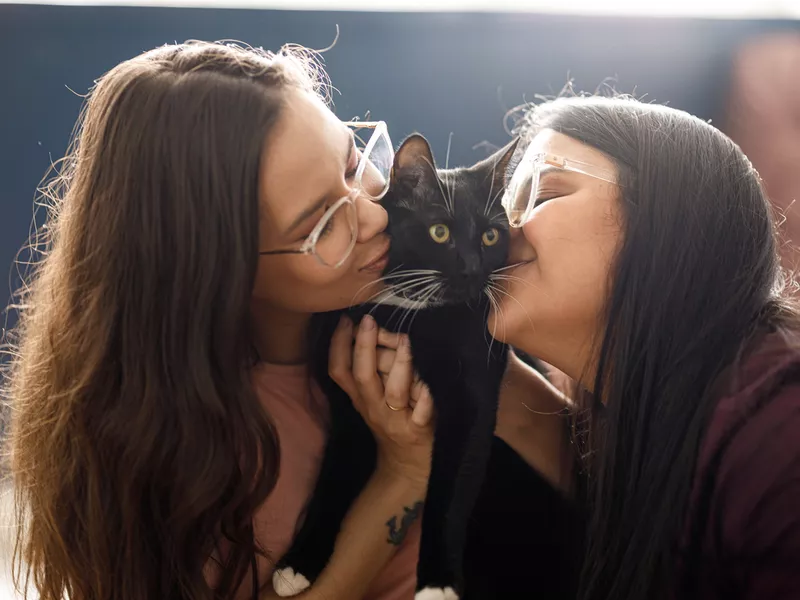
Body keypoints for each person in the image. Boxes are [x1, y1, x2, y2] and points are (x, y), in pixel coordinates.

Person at [4, 41, 434, 600]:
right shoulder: (175, 458)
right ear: (218, 271)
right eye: (323, 224)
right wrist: (404, 473)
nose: (376, 214)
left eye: (356, 162)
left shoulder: (391, 292)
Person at [486, 94, 800, 600]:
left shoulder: (780, 426)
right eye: (504, 209)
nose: (502, 233)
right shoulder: (636, 429)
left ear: (666, 217)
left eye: (542, 196)